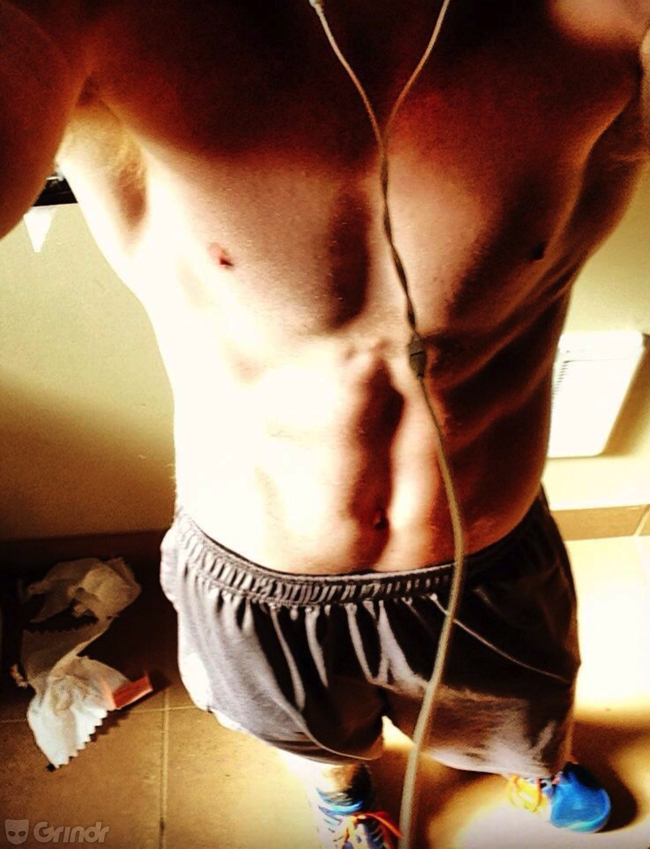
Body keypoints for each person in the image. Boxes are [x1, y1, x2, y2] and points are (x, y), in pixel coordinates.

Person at [2, 1, 648, 845]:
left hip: (486, 558)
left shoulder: (606, 22)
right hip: (258, 573)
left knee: (515, 721)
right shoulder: (96, 18)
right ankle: (344, 800)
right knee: (313, 740)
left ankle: (528, 766)